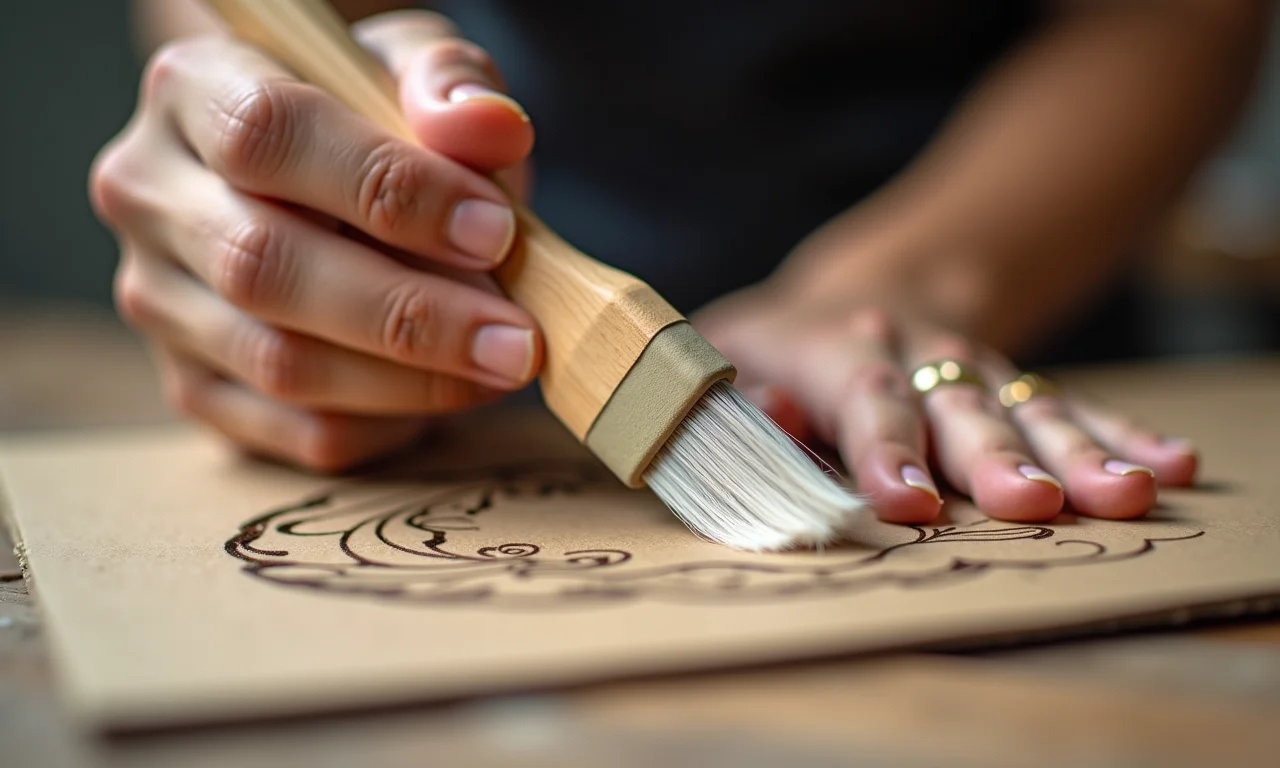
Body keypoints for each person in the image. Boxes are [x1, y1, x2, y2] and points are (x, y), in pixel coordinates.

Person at [89, 0, 1267, 527]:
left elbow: (1177, 15)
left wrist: (908, 282)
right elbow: (252, 20)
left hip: (987, 332)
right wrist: (277, 197)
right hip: (491, 359)